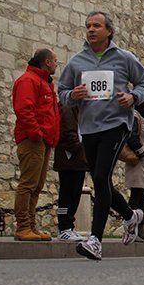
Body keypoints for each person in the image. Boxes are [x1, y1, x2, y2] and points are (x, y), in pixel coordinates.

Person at [58, 11, 144, 260]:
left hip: (117, 124)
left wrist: (133, 97)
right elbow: (62, 91)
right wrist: (71, 96)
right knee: (103, 182)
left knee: (100, 176)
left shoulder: (124, 58)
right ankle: (131, 215)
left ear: (109, 30)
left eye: (96, 25)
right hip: (88, 128)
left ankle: (95, 241)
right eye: (88, 25)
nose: (91, 30)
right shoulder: (77, 62)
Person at [12, 48, 60, 241]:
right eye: (55, 61)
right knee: (28, 184)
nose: (57, 64)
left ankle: (30, 226)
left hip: (43, 140)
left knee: (37, 185)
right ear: (47, 62)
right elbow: (24, 109)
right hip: (33, 139)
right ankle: (23, 226)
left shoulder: (44, 82)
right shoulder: (28, 80)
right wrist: (36, 134)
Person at [123, 95, 144, 244]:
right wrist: (142, 152)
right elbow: (132, 138)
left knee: (142, 196)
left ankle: (140, 228)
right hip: (140, 162)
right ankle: (132, 228)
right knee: (136, 197)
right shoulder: (135, 117)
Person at [53, 103, 87, 241]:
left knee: (74, 194)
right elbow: (68, 132)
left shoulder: (79, 108)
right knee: (67, 194)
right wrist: (79, 149)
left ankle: (69, 226)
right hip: (70, 158)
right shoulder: (68, 106)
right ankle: (64, 227)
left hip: (78, 159)